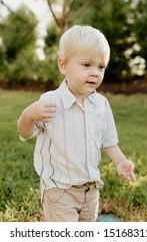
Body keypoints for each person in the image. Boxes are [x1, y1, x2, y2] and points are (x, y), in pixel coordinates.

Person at [17, 25, 136, 222]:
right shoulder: (49, 102)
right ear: (63, 66)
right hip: (59, 190)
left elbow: (108, 141)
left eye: (101, 67)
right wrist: (27, 116)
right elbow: (25, 134)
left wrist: (121, 161)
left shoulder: (101, 104)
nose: (95, 73)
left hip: (90, 190)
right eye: (86, 65)